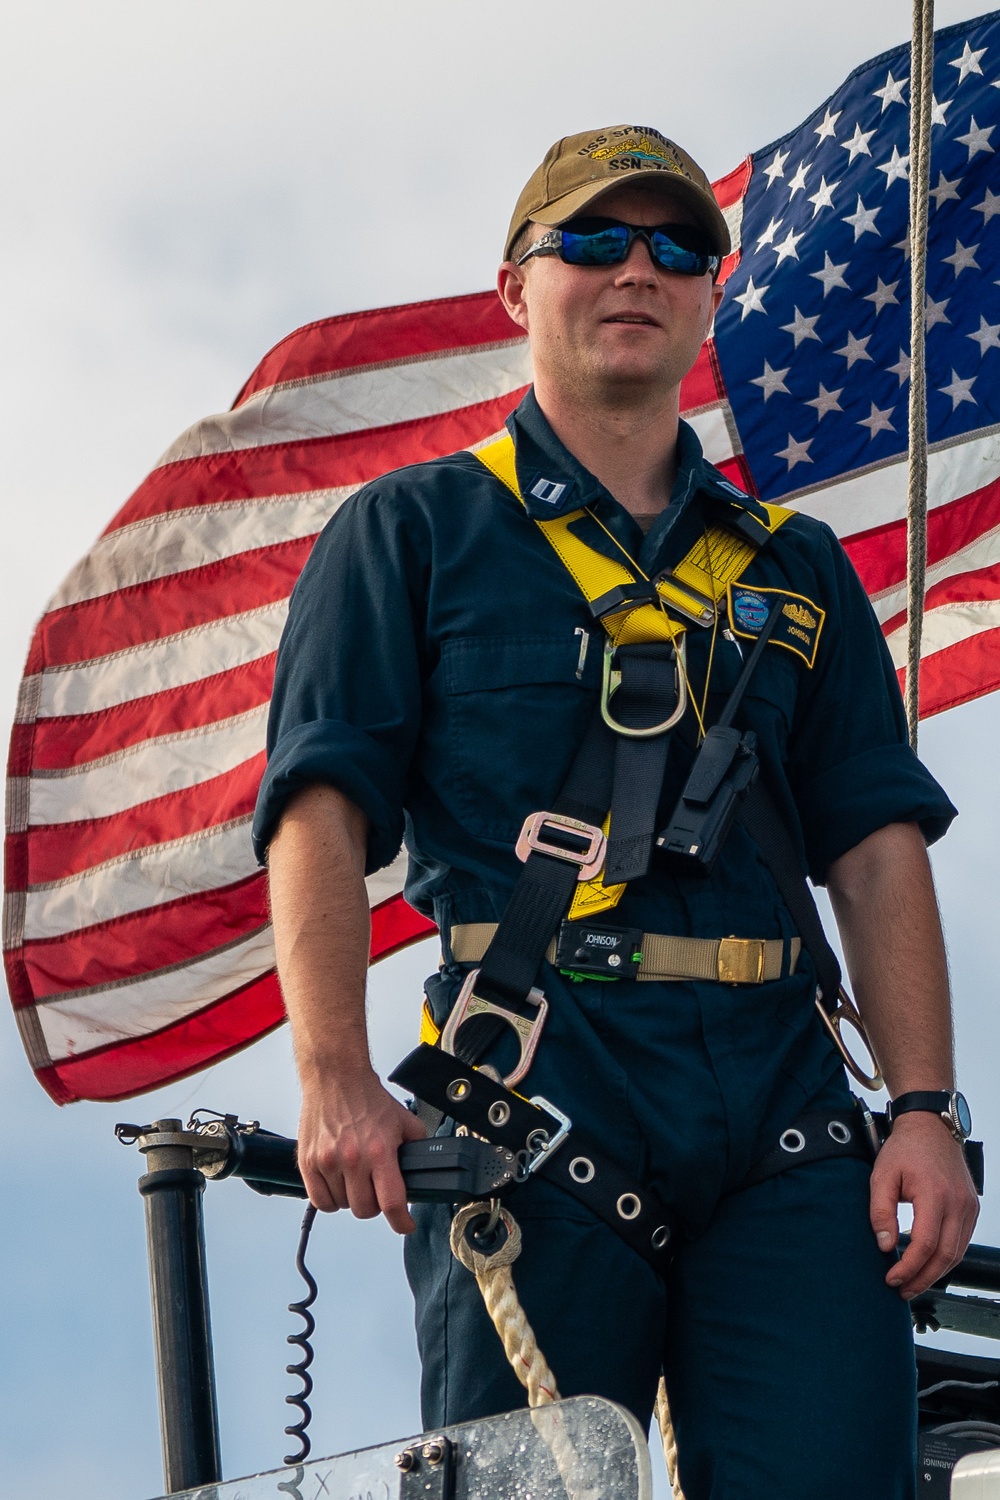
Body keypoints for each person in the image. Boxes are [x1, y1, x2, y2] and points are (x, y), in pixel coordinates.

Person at [253, 125, 979, 1498]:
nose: (634, 269)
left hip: (784, 1111)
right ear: (517, 289)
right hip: (538, 1091)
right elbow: (321, 809)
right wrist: (331, 1070)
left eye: (675, 246)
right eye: (591, 241)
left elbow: (876, 849)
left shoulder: (798, 570)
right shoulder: (411, 533)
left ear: (712, 290)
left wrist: (928, 1109)